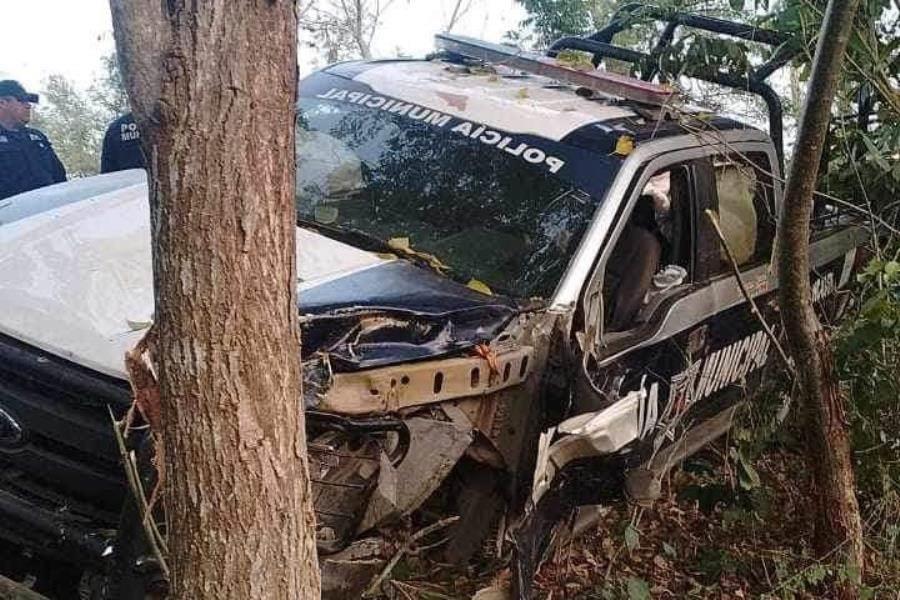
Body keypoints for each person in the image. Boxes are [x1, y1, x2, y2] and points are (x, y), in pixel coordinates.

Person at [0, 80, 66, 200]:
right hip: (13, 214)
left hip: (51, 208)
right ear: (2, 103)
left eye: (28, 101)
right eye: (21, 100)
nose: (28, 105)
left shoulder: (37, 137)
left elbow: (59, 176)